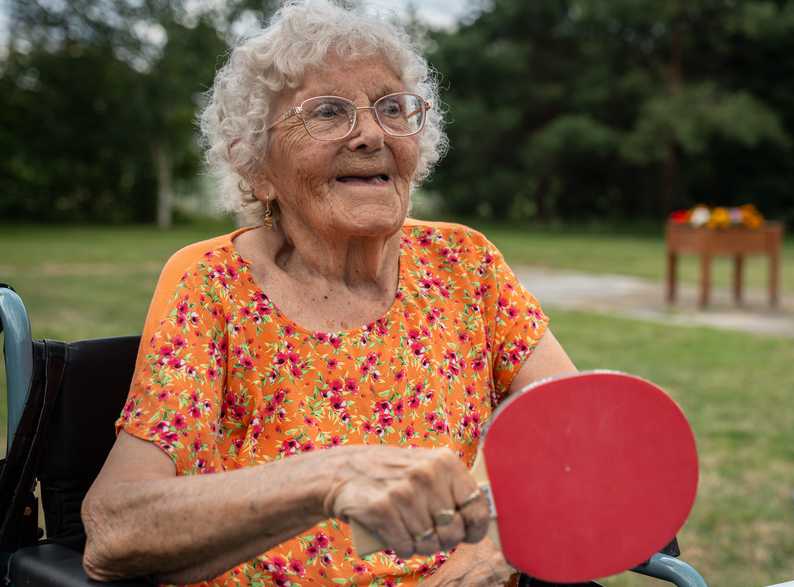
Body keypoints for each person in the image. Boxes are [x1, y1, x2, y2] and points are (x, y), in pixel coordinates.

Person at [80, 1, 577, 584]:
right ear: (256, 166)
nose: (370, 133)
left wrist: (496, 539)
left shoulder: (465, 264)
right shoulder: (214, 287)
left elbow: (586, 429)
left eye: (392, 108)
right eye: (327, 113)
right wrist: (329, 478)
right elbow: (114, 531)